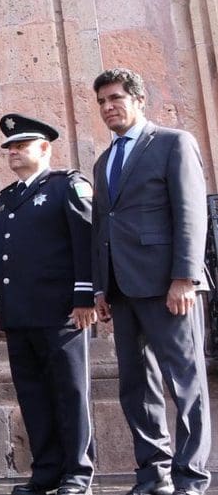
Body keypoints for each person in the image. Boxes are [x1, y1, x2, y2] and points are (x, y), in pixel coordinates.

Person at [91, 68, 212, 495]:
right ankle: (153, 474)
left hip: (168, 287)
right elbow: (101, 226)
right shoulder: (103, 161)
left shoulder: (173, 143)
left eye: (116, 98)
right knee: (136, 387)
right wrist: (100, 287)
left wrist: (185, 277)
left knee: (185, 383)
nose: (108, 107)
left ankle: (191, 477)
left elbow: (191, 212)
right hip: (122, 290)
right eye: (102, 101)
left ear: (139, 100)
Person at [0, 114, 96, 495]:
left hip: (61, 313)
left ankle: (78, 471)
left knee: (70, 392)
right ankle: (47, 469)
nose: (13, 152)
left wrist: (85, 297)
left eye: (21, 145)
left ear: (45, 148)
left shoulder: (67, 186)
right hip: (21, 314)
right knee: (33, 396)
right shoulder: (6, 198)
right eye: (10, 147)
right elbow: (2, 256)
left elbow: (85, 242)